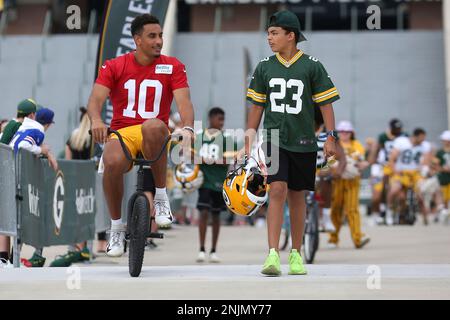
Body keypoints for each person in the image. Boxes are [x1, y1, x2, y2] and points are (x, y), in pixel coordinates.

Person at [87, 14, 195, 258]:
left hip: (154, 131)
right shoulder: (114, 65)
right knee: (111, 161)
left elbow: (184, 102)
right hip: (123, 132)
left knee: (154, 125)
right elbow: (95, 100)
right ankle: (115, 226)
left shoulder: (173, 65)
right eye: (152, 36)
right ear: (137, 40)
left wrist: (187, 127)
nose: (158, 41)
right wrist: (95, 120)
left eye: (160, 36)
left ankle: (160, 197)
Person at [243, 10, 339, 276]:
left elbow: (326, 104)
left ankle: (296, 253)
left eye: (274, 33)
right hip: (274, 136)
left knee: (298, 196)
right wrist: (248, 138)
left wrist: (330, 137)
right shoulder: (264, 66)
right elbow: (256, 107)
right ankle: (273, 253)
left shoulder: (312, 65)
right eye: (268, 34)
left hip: (304, 139)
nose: (270, 39)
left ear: (291, 35)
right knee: (277, 189)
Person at [9, 107, 57, 267]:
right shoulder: (38, 131)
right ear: (48, 124)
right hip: (17, 175)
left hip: (11, 170)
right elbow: (23, 146)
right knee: (21, 217)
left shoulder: (26, 127)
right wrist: (40, 150)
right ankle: (12, 258)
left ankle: (11, 257)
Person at [49, 107, 92, 267]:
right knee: (86, 214)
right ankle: (84, 247)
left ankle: (76, 246)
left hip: (74, 179)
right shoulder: (93, 138)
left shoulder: (74, 137)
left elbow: (68, 161)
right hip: (88, 180)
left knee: (75, 213)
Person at [195, 107, 236, 263]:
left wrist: (207, 160)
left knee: (216, 215)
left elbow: (228, 160)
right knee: (203, 213)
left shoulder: (226, 139)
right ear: (211, 119)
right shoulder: (200, 137)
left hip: (218, 182)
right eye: (219, 119)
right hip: (204, 181)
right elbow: (191, 155)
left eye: (223, 120)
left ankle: (213, 249)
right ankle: (201, 248)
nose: (221, 123)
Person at [328, 121, 370, 249]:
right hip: (337, 179)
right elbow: (329, 160)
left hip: (352, 180)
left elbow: (362, 161)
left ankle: (358, 238)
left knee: (352, 209)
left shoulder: (356, 145)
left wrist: (363, 164)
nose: (344, 134)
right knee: (335, 209)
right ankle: (333, 238)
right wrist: (333, 167)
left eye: (347, 132)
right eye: (341, 131)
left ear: (351, 133)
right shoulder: (334, 144)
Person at [386, 128, 432, 225]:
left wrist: (424, 172)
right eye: (421, 138)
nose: (423, 140)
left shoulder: (425, 145)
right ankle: (389, 212)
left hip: (415, 173)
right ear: (415, 136)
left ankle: (425, 218)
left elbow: (426, 161)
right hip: (402, 171)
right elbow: (392, 159)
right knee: (395, 191)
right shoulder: (402, 142)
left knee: (421, 194)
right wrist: (395, 170)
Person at [368, 119, 407, 225]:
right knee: (377, 194)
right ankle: (376, 214)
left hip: (397, 167)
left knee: (397, 193)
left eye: (399, 128)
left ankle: (394, 214)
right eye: (396, 129)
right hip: (382, 166)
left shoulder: (404, 136)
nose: (398, 131)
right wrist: (372, 162)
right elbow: (375, 151)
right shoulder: (383, 137)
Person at [314, 109, 346, 233]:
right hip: (305, 167)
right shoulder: (301, 130)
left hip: (323, 166)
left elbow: (342, 157)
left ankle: (326, 216)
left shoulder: (328, 133)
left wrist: (338, 170)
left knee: (326, 177)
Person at [435, 130, 450, 224]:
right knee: (443, 198)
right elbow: (435, 164)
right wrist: (442, 168)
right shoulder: (440, 152)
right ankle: (443, 215)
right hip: (443, 178)